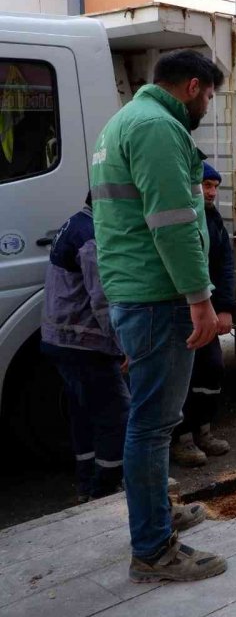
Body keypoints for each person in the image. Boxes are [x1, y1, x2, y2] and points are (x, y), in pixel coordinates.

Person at [91, 49, 228, 583]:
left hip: (138, 293)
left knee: (153, 422)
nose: (208, 107)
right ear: (193, 87)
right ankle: (152, 549)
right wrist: (200, 299)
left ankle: (157, 514)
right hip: (157, 297)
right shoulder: (157, 127)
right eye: (211, 96)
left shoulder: (123, 122)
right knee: (150, 427)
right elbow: (171, 222)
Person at [40, 193, 130, 503]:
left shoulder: (75, 224)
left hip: (61, 340)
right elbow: (104, 299)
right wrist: (123, 346)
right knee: (116, 413)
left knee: (83, 412)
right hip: (84, 344)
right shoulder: (93, 238)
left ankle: (86, 482)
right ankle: (105, 488)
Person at [171, 161, 234, 467]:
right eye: (206, 186)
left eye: (214, 187)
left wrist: (224, 308)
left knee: (212, 368)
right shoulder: (182, 217)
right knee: (182, 375)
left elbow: (224, 265)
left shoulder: (212, 219)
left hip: (206, 310)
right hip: (181, 311)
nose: (210, 192)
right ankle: (182, 440)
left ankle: (203, 431)